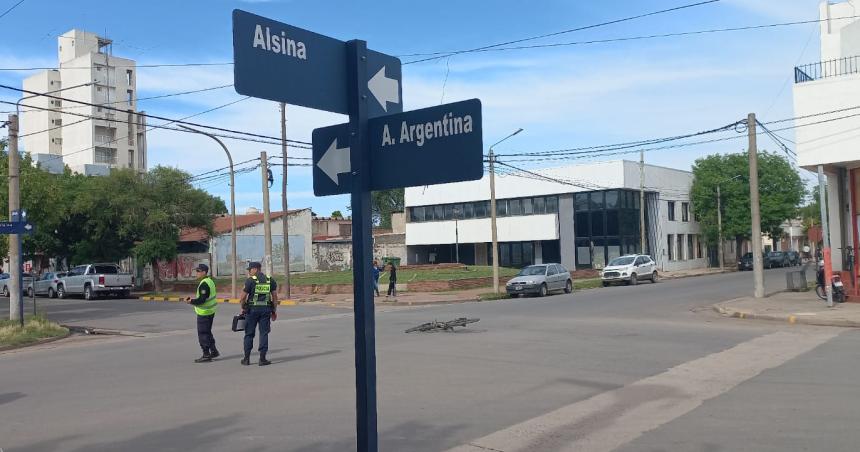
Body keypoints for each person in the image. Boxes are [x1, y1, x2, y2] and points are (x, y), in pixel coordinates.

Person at [240, 262, 278, 366]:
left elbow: (243, 297)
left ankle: (246, 359)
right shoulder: (270, 280)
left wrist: (243, 307)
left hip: (252, 311)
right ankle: (262, 359)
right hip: (266, 311)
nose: (249, 271)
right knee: (264, 333)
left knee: (249, 334)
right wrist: (274, 311)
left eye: (250, 269)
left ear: (256, 269)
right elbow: (275, 297)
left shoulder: (250, 281)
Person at [185, 264, 219, 363]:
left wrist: (191, 301)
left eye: (199, 271)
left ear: (204, 272)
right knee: (207, 332)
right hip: (210, 311)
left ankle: (206, 354)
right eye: (197, 271)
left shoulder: (204, 284)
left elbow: (202, 300)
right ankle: (214, 351)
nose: (197, 273)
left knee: (203, 333)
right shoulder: (210, 281)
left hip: (204, 312)